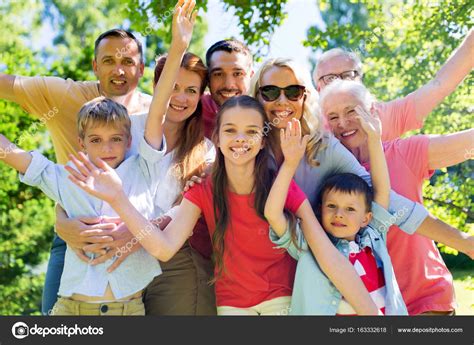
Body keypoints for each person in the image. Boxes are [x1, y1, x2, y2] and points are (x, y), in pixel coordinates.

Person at [67, 95, 384, 316]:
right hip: (233, 305)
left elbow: (328, 256)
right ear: (216, 137)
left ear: (262, 140)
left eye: (250, 132)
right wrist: (118, 198)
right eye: (230, 131)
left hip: (283, 301)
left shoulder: (280, 185)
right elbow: (163, 247)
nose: (240, 140)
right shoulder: (204, 188)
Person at [249, 58, 473, 281]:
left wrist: (462, 242)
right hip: (254, 285)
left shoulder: (323, 149)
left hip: (317, 282)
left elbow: (390, 203)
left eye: (292, 92)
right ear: (256, 96)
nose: (281, 101)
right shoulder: (247, 150)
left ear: (304, 97)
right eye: (269, 92)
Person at [0, 26, 151, 314]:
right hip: (73, 238)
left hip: (138, 243)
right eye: (108, 61)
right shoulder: (63, 96)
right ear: (95, 66)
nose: (118, 70)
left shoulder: (153, 114)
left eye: (127, 62)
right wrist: (62, 221)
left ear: (141, 68)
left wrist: (140, 232)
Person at [319, 79, 474, 315]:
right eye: (333, 117)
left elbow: (465, 144)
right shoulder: (332, 176)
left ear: (371, 111)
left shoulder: (404, 152)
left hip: (426, 300)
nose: (342, 123)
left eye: (352, 111)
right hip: (373, 306)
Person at [265, 111, 410, 314]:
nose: (339, 214)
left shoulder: (373, 236)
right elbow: (272, 214)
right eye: (331, 206)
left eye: (350, 209)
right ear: (319, 209)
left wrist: (375, 140)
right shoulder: (310, 247)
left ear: (366, 218)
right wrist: (289, 165)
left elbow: (381, 190)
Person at [137, 0, 217, 315]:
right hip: (126, 257)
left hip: (176, 261)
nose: (181, 98)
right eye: (173, 86)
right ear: (157, 86)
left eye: (192, 91)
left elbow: (182, 212)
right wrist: (178, 45)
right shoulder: (131, 130)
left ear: (201, 97)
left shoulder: (205, 150)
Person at [313, 28, 473, 141]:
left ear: (360, 81)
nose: (341, 83)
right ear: (318, 88)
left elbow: (440, 85)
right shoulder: (310, 128)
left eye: (348, 75)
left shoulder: (385, 116)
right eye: (331, 78)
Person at [200, 39, 254, 138]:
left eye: (238, 74)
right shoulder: (193, 107)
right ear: (207, 79)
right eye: (218, 74)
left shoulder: (263, 114)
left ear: (251, 76)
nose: (229, 85)